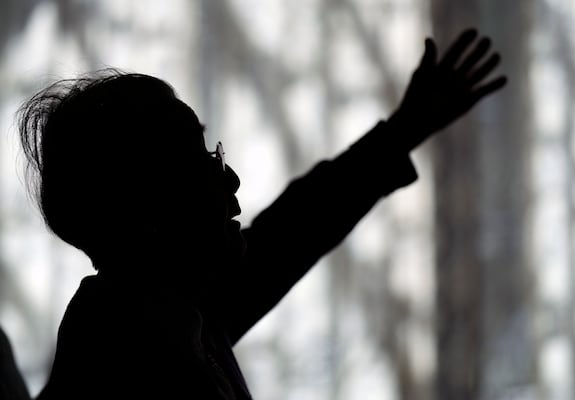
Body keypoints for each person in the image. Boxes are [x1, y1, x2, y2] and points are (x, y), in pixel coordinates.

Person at [15, 28, 505, 399]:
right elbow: (288, 237)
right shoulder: (128, 355)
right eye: (199, 161)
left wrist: (403, 129)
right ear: (145, 211)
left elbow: (291, 232)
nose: (229, 179)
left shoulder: (170, 308)